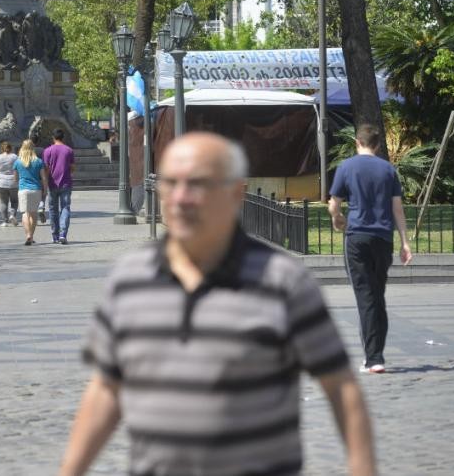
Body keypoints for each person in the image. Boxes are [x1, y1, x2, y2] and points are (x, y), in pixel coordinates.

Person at [59, 133, 376, 476]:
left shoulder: (281, 281)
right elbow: (106, 389)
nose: (180, 197)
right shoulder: (130, 279)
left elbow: (340, 386)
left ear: (235, 192)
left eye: (198, 184)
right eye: (170, 183)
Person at [329, 124, 413, 374]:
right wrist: (405, 241)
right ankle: (377, 355)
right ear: (377, 145)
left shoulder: (346, 167)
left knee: (366, 297)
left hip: (357, 236)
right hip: (383, 238)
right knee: (377, 295)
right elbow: (397, 208)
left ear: (357, 142)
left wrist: (337, 219)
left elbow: (334, 205)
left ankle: (373, 358)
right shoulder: (389, 170)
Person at [43, 128, 75, 244]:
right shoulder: (69, 150)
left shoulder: (47, 151)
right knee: (65, 208)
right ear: (63, 137)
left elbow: (46, 169)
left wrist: (45, 182)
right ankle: (63, 234)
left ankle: (55, 235)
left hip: (52, 183)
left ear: (53, 137)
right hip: (66, 183)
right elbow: (72, 168)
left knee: (53, 210)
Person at [13, 139, 48, 246]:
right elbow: (44, 178)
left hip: (23, 189)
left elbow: (15, 178)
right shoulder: (38, 161)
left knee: (25, 213)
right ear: (33, 148)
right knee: (34, 214)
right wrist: (45, 190)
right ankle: (31, 236)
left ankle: (28, 235)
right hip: (36, 189)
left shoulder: (18, 162)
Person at [0, 141, 19, 227]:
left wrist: (0, 170)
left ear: (2, 148)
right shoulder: (15, 157)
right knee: (14, 201)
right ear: (10, 148)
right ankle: (12, 215)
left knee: (4, 202)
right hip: (13, 182)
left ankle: (4, 221)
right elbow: (18, 167)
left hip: (1, 182)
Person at [29, 132, 47, 223]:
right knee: (42, 194)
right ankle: (41, 206)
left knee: (32, 195)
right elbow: (45, 163)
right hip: (40, 174)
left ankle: (33, 212)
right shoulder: (42, 150)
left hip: (30, 176)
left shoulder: (27, 151)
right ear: (38, 140)